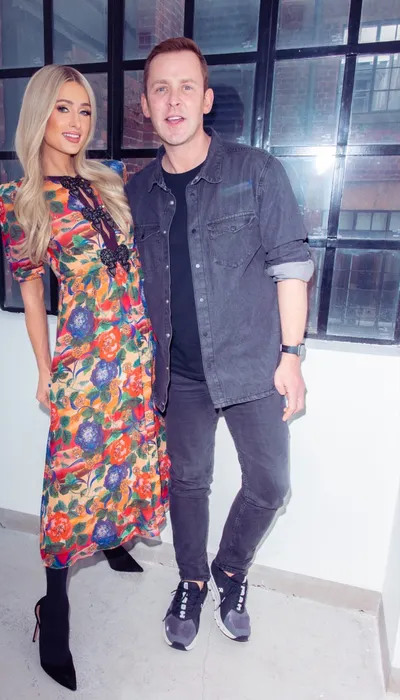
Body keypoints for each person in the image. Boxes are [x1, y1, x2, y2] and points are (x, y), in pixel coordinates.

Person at [125, 37, 314, 652]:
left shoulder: (256, 172)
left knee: (271, 485)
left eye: (186, 87)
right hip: (178, 374)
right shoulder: (137, 192)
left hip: (253, 364)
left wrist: (292, 356)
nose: (173, 100)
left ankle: (230, 570)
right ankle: (191, 580)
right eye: (160, 89)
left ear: (206, 100)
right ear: (146, 106)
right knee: (188, 483)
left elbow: (291, 266)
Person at [0, 65, 169, 691]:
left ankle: (115, 539)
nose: (75, 122)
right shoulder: (22, 200)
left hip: (134, 355)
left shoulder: (110, 180)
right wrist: (45, 371)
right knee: (70, 482)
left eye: (85, 110)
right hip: (85, 363)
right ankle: (55, 609)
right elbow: (32, 294)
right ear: (39, 114)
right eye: (62, 108)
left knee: (128, 455)